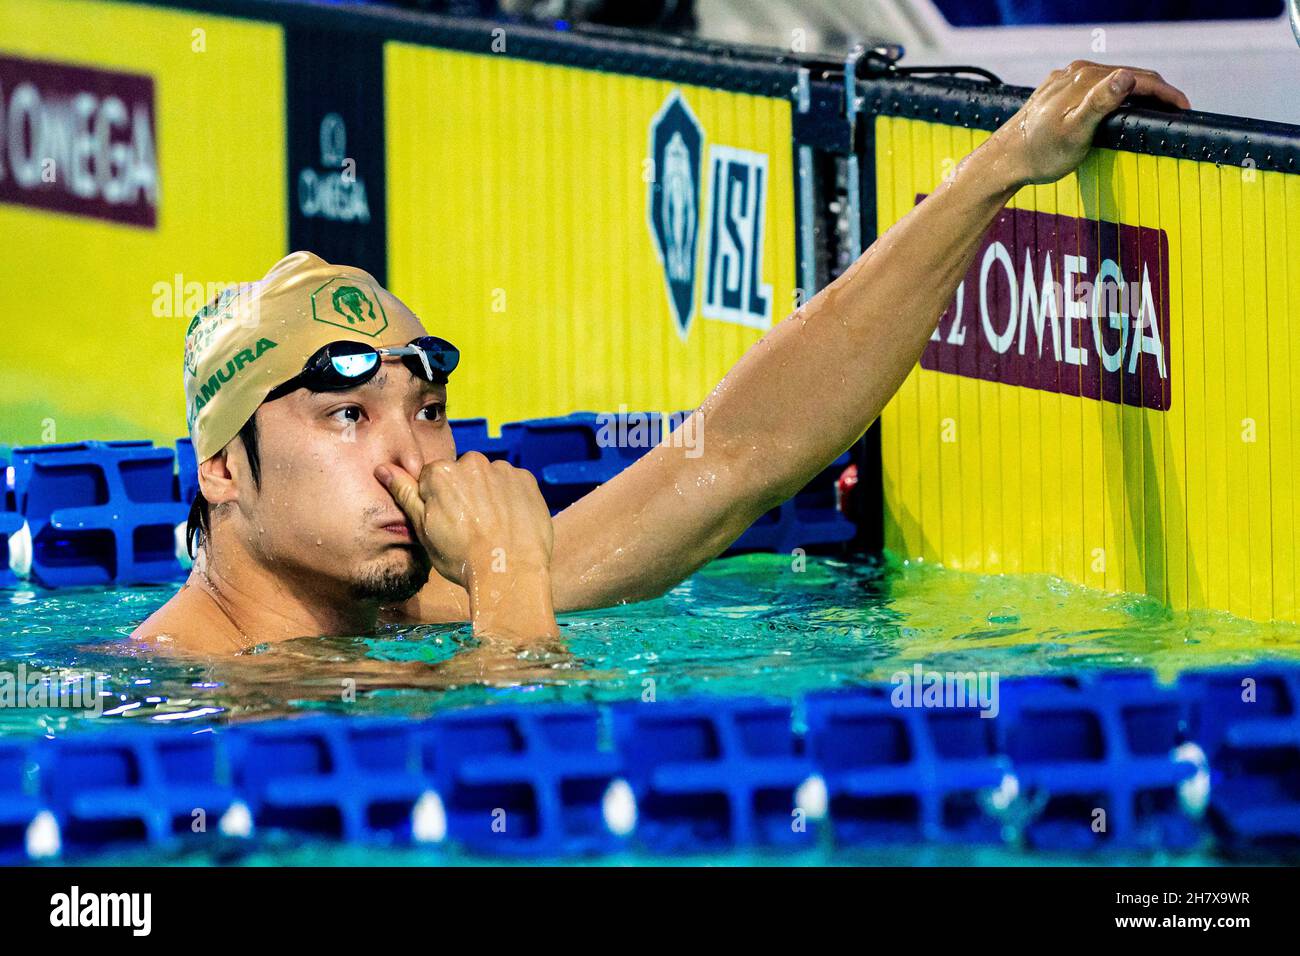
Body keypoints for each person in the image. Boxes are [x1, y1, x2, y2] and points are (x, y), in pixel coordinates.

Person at [131, 61, 1190, 656]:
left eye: (427, 406)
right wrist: (506, 579)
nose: (410, 461)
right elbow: (530, 798)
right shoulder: (200, 703)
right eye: (346, 417)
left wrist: (999, 167)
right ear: (221, 467)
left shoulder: (413, 604)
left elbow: (735, 456)